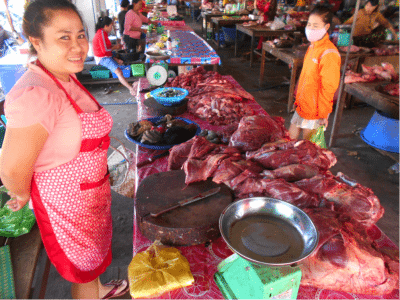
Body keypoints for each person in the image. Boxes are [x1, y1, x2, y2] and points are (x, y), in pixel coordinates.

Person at [0, 0, 129, 298]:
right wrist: (22, 194)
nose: (78, 46)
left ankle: (99, 289)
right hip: (67, 206)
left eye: (81, 35)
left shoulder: (64, 76)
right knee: (81, 271)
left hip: (91, 194)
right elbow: (11, 170)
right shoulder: (36, 94)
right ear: (36, 41)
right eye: (64, 37)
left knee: (93, 261)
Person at [289, 4, 341, 140]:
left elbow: (329, 87)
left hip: (314, 111)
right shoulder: (313, 47)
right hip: (302, 105)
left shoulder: (329, 53)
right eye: (309, 24)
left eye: (316, 26)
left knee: (308, 150)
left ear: (327, 27)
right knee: (288, 140)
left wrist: (324, 114)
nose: (311, 28)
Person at [93, 16, 135, 95]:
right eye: (111, 26)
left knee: (119, 60)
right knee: (118, 72)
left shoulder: (103, 33)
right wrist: (115, 47)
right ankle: (131, 89)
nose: (112, 28)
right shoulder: (101, 33)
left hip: (105, 55)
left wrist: (115, 56)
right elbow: (105, 51)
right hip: (102, 57)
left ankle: (129, 85)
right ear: (106, 26)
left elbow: (107, 48)